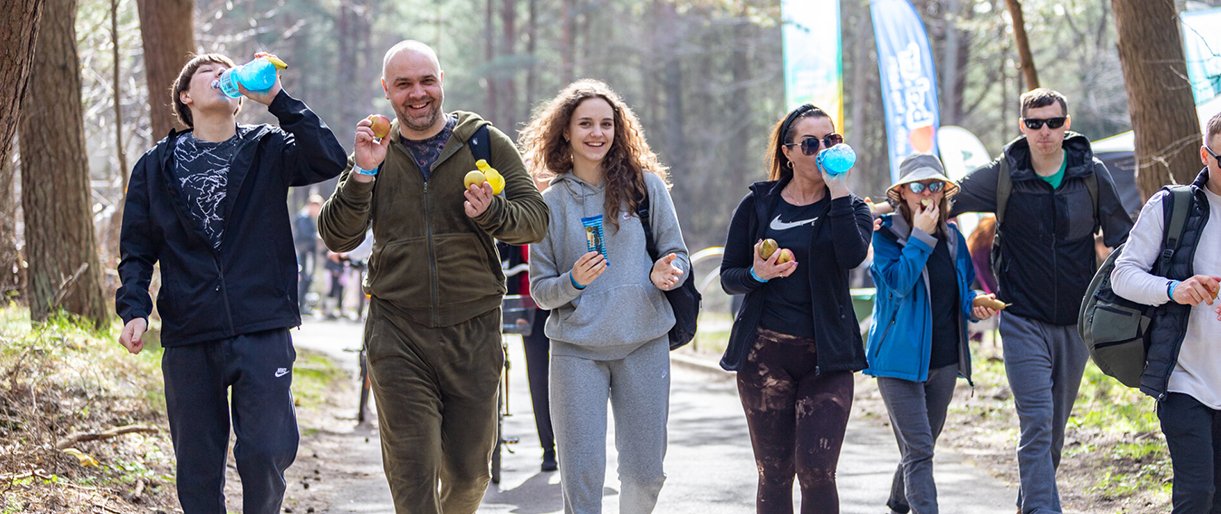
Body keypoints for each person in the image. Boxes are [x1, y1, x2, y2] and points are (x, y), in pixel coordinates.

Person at [317, 40, 548, 514]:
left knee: (469, 474)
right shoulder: (375, 150)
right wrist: (362, 172)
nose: (417, 93)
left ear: (442, 80)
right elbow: (338, 235)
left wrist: (494, 213)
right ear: (387, 90)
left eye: (426, 81)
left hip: (473, 329)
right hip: (397, 331)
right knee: (412, 473)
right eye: (403, 84)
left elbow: (536, 218)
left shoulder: (484, 142)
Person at [114, 53, 347, 513]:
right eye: (208, 73)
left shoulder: (268, 149)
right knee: (197, 470)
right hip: (190, 331)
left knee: (264, 450)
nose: (221, 77)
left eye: (228, 73)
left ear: (240, 100)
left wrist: (276, 98)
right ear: (186, 96)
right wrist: (135, 308)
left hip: (261, 325)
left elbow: (329, 157)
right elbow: (137, 249)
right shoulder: (154, 166)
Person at [949, 88, 1133, 513]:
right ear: (1022, 127)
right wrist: (878, 208)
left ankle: (1029, 502)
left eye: (1053, 122)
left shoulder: (1091, 174)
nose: (1044, 132)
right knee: (1036, 422)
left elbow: (1125, 240)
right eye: (1035, 124)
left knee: (1053, 429)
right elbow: (941, 199)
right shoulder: (1004, 175)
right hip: (1021, 319)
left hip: (1075, 323)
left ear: (1067, 124)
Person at [522, 79, 688, 514]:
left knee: (646, 473)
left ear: (618, 130)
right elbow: (540, 292)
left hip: (644, 343)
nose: (597, 133)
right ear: (565, 132)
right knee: (581, 477)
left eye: (606, 124)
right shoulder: (550, 203)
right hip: (577, 352)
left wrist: (667, 270)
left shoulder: (646, 187)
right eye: (585, 124)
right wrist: (572, 281)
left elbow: (677, 253)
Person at [719, 104, 874, 513]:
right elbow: (729, 276)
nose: (822, 150)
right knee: (774, 471)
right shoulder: (758, 205)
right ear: (788, 152)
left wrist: (838, 189)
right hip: (764, 356)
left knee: (818, 471)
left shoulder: (851, 207)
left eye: (831, 140)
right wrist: (758, 274)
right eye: (810, 143)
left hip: (828, 357)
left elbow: (851, 256)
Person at [865, 154, 998, 514]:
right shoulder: (886, 236)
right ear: (902, 194)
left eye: (935, 185)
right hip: (897, 362)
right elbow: (898, 284)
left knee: (920, 448)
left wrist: (975, 303)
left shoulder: (954, 236)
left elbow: (961, 288)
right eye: (919, 186)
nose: (928, 193)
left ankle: (898, 501)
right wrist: (921, 236)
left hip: (943, 360)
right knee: (920, 448)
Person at [1111, 111, 1221, 514]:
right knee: (1196, 496)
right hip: (1184, 381)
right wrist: (1175, 289)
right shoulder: (1171, 206)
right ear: (1204, 155)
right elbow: (1123, 275)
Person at [498, 237, 557, 472]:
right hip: (529, 310)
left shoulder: (559, 210)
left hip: (562, 306)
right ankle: (548, 449)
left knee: (571, 378)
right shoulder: (518, 216)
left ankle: (572, 445)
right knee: (539, 379)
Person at [293, 193, 324, 313]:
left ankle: (303, 303)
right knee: (305, 277)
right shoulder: (303, 218)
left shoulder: (307, 218)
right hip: (304, 253)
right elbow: (304, 235)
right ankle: (301, 305)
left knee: (308, 277)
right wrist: (317, 237)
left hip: (308, 252)